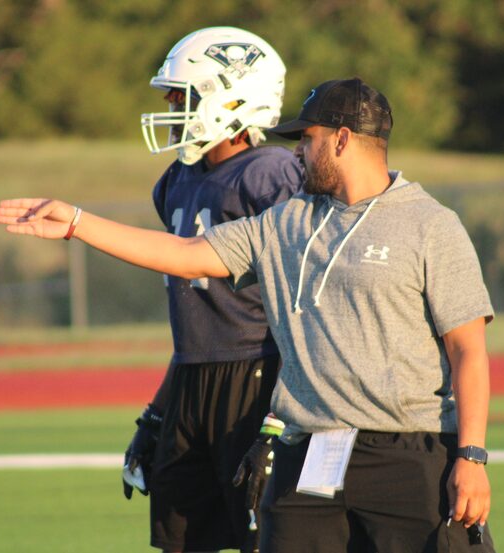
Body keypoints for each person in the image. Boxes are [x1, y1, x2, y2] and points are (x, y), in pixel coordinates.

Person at [0, 77, 496, 553]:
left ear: (343, 139)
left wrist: (471, 456)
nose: (297, 151)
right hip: (310, 455)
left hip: (408, 451)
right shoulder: (286, 222)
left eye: (308, 138)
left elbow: (467, 349)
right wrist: (78, 224)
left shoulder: (430, 224)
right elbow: (185, 253)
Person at [109, 26, 301, 553]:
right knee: (181, 539)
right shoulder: (177, 180)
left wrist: (282, 413)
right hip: (193, 376)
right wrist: (157, 411)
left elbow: (306, 306)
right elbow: (197, 327)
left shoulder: (273, 175)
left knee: (262, 537)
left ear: (232, 97)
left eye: (183, 94)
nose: (173, 104)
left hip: (259, 373)